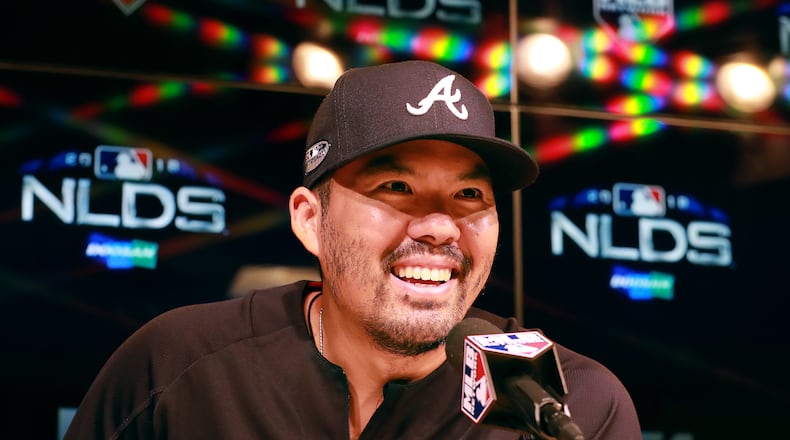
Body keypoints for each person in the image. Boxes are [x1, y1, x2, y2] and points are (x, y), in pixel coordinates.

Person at [64, 60, 641, 440]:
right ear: (310, 220)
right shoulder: (179, 368)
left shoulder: (574, 407)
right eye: (395, 188)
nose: (441, 226)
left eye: (469, 194)